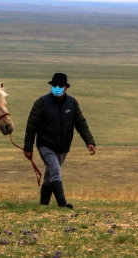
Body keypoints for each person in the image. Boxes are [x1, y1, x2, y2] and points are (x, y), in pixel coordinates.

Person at [23, 72, 95, 209]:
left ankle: (43, 203)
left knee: (50, 173)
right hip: (46, 144)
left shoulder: (72, 103)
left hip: (63, 146)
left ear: (66, 87)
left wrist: (89, 141)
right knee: (55, 170)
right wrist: (28, 148)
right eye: (54, 85)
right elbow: (31, 126)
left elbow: (81, 123)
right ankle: (62, 203)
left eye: (60, 85)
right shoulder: (41, 103)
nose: (57, 87)